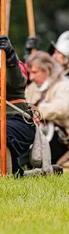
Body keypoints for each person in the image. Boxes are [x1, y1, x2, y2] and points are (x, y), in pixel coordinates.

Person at [25, 51, 69, 170]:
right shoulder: (33, 88)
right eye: (29, 73)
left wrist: (37, 110)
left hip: (68, 139)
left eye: (35, 72)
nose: (31, 77)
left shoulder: (65, 86)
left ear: (47, 70)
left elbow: (61, 108)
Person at [0, 36, 36, 175]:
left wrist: (10, 57)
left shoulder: (14, 66)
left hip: (17, 120)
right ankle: (17, 172)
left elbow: (17, 81)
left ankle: (7, 174)